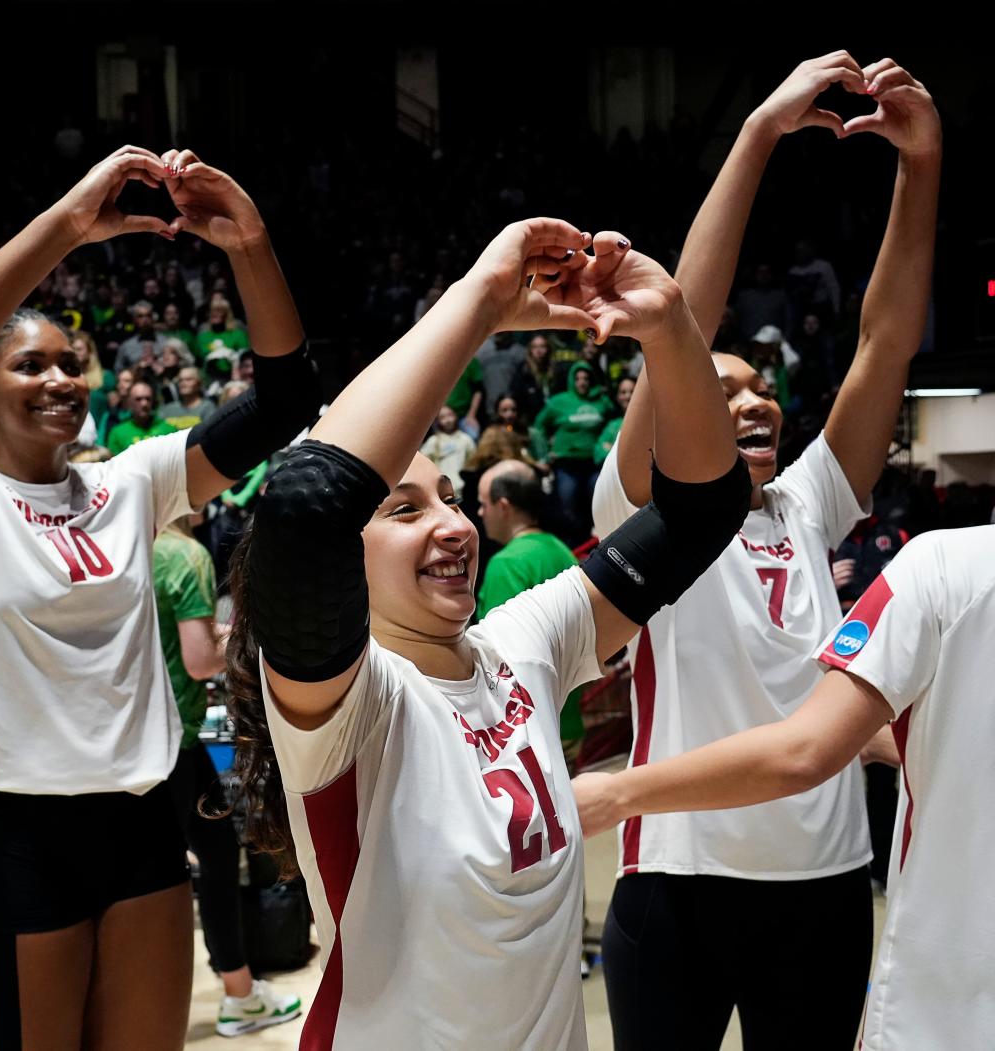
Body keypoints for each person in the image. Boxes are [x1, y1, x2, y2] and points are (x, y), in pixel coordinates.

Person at [225, 221, 751, 1048]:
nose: (455, 526)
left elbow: (701, 510)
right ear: (342, 564)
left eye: (452, 497)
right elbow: (303, 507)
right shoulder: (348, 706)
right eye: (404, 508)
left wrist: (669, 323)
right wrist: (480, 303)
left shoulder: (524, 641)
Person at [0, 145, 321, 1051]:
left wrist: (252, 243)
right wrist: (67, 227)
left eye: (71, 363)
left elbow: (284, 398)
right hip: (9, 837)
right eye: (30, 366)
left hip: (141, 826)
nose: (62, 379)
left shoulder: (134, 483)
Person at [588, 54, 940, 1050]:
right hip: (677, 881)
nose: (751, 400)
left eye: (761, 388)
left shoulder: (809, 499)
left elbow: (884, 344)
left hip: (825, 882)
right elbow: (677, 322)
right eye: (722, 384)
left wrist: (922, 165)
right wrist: (756, 136)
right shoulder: (647, 506)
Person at [573, 524, 987, 1050]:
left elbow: (805, 751)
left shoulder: (941, 563)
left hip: (907, 949)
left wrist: (617, 794)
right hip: (685, 866)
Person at [154, 515, 302, 1036]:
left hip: (156, 735)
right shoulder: (184, 554)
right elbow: (198, 662)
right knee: (173, 877)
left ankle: (239, 993)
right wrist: (267, 640)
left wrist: (229, 630)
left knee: (213, 856)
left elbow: (174, 636)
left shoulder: (131, 548)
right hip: (175, 737)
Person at [475, 459, 577, 619]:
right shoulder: (561, 549)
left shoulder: (507, 563)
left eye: (484, 505)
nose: (480, 513)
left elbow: (496, 640)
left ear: (503, 507)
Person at [535, 360, 615, 544]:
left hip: (594, 464)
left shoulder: (603, 402)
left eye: (586, 378)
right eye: (578, 378)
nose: (582, 382)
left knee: (599, 503)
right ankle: (570, 545)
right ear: (572, 380)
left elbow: (614, 423)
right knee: (566, 505)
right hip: (566, 465)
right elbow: (539, 427)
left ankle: (597, 542)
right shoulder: (558, 402)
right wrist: (545, 453)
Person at [419, 403, 476, 496]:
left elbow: (473, 462)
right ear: (437, 421)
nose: (448, 420)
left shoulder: (465, 439)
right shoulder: (433, 441)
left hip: (463, 488)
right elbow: (423, 462)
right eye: (443, 417)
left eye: (450, 415)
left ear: (456, 416)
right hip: (442, 490)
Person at [593, 375, 635, 468]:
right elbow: (598, 453)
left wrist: (612, 448)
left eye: (632, 391)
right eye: (623, 392)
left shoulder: (650, 424)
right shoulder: (612, 425)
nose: (628, 396)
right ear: (617, 397)